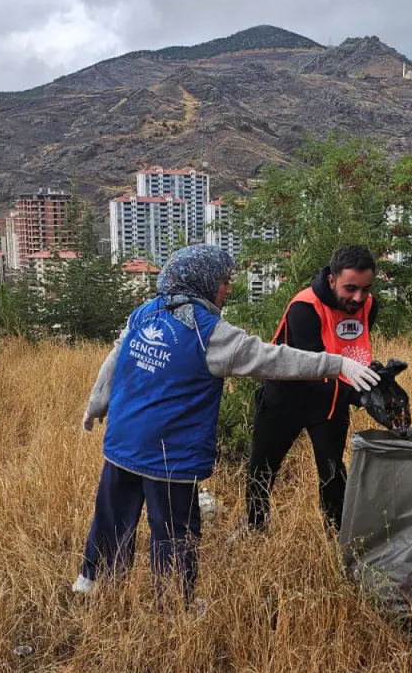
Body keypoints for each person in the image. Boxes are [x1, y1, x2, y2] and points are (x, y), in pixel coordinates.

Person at [75, 244, 378, 608]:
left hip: (123, 441)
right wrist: (338, 365)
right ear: (202, 282)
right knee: (174, 530)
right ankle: (176, 608)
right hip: (169, 453)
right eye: (223, 281)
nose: (228, 289)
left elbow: (115, 360)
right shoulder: (210, 334)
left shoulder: (143, 313)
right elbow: (273, 359)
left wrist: (95, 406)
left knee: (111, 514)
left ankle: (92, 582)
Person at [245, 244, 379, 533]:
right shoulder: (304, 308)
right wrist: (360, 396)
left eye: (365, 289)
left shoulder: (369, 305)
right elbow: (307, 370)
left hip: (330, 402)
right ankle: (254, 529)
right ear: (332, 280)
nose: (358, 298)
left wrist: (380, 385)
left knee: (332, 472)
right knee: (262, 468)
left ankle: (336, 535)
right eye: (350, 288)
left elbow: (355, 352)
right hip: (285, 396)